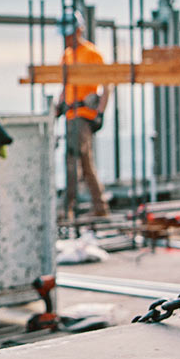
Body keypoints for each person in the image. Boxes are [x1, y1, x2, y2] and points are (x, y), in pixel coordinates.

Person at [57, 21, 110, 217]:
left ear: (79, 31)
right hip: (71, 114)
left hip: (83, 115)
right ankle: (100, 207)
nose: (66, 39)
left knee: (71, 160)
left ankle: (66, 208)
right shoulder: (67, 55)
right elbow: (65, 87)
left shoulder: (91, 54)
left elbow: (106, 84)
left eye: (69, 34)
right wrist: (57, 107)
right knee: (86, 165)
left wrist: (100, 111)